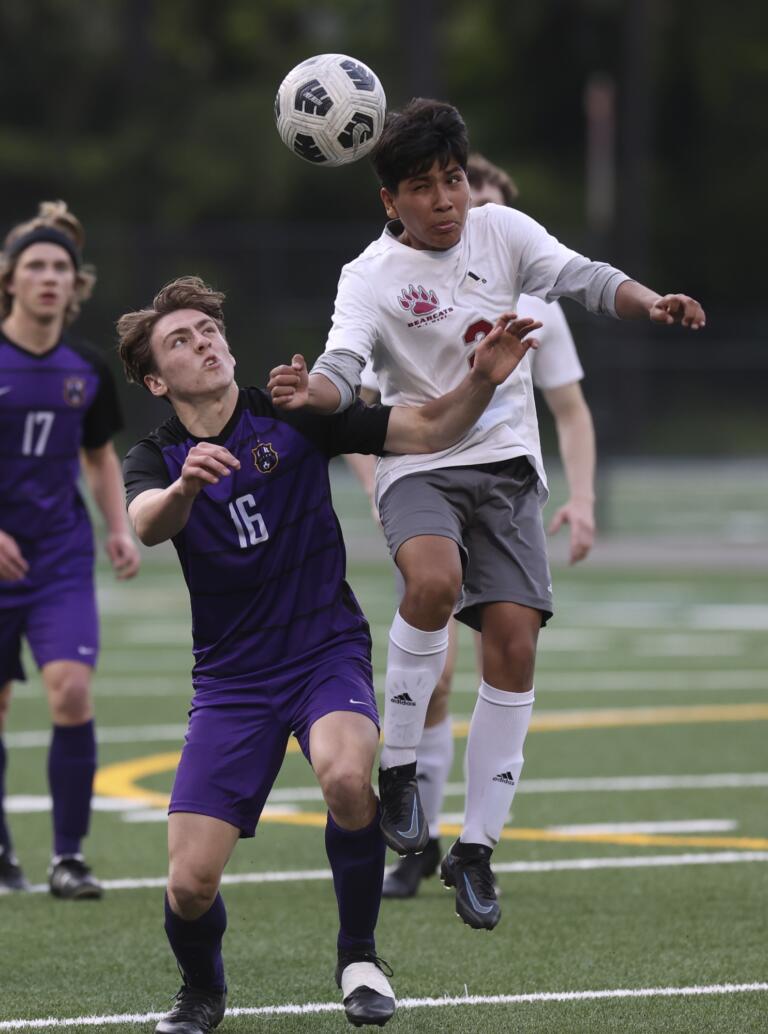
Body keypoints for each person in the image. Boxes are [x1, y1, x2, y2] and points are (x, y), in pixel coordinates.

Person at [268, 98, 706, 933]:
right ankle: (399, 771)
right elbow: (341, 365)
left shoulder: (503, 231)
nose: (447, 199)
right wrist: (308, 394)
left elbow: (583, 276)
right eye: (425, 187)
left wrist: (652, 304)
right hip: (418, 460)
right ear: (389, 200)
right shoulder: (368, 275)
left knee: (513, 641)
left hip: (505, 467)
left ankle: (475, 850)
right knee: (432, 582)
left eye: (454, 179)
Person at [117, 275, 539, 1033]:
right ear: (156, 379)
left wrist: (481, 378)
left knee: (349, 777)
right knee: (188, 885)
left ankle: (359, 959)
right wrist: (183, 488)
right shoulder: (158, 456)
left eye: (208, 330)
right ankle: (201, 991)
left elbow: (429, 429)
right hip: (231, 681)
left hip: (323, 653)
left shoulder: (294, 414)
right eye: (179, 340)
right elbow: (146, 522)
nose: (203, 342)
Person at [380, 152, 597, 898]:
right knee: (433, 673)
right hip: (425, 483)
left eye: (473, 199)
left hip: (503, 485)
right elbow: (367, 398)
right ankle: (415, 827)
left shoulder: (541, 302)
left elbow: (569, 408)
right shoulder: (392, 285)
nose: (462, 216)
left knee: (510, 645)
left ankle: (474, 847)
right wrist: (379, 475)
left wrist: (585, 498)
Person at [0, 201, 140, 898]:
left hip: (58, 557)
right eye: (36, 267)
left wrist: (117, 527)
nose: (49, 277)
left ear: (73, 282)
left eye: (60, 267)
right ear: (11, 280)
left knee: (72, 691)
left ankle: (68, 857)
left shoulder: (85, 368)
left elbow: (99, 458)